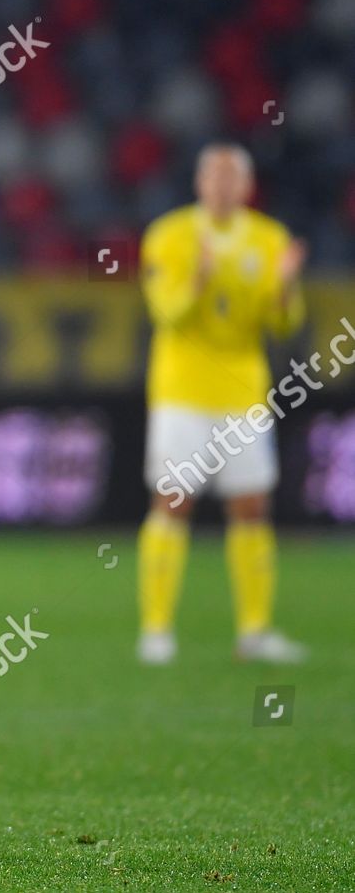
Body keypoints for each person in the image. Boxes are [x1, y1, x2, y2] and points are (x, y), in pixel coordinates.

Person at [136, 143, 308, 665]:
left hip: (243, 392)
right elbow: (167, 313)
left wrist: (283, 290)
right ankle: (157, 630)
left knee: (252, 507)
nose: (223, 186)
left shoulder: (269, 238)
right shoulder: (168, 236)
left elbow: (283, 325)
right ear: (199, 183)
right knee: (173, 503)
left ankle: (254, 632)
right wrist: (201, 279)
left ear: (247, 186)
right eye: (215, 176)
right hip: (182, 390)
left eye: (233, 177)